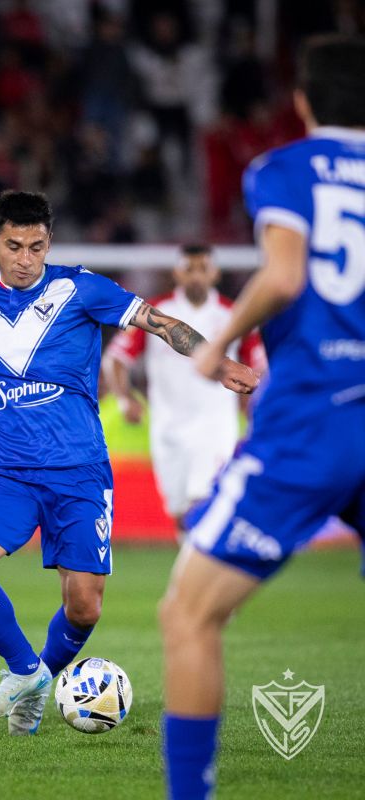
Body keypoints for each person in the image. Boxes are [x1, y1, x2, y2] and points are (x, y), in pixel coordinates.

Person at [0, 190, 257, 737]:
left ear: (49, 243)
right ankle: (25, 672)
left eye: (36, 247)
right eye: (14, 246)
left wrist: (218, 365)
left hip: (79, 469)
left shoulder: (81, 288)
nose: (25, 258)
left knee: (84, 608)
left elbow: (159, 322)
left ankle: (38, 683)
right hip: (5, 468)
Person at [159, 35, 365, 799]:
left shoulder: (283, 169)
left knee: (187, 616)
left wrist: (217, 344)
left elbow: (283, 276)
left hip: (316, 419)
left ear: (303, 101)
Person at [103, 244, 265, 533]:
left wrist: (255, 404)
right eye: (189, 269)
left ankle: (205, 561)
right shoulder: (156, 313)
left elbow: (257, 367)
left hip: (215, 426)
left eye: (203, 268)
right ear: (177, 274)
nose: (196, 276)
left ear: (215, 273)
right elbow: (115, 358)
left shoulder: (235, 315)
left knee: (202, 504)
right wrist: (125, 397)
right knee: (180, 513)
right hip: (167, 427)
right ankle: (194, 559)